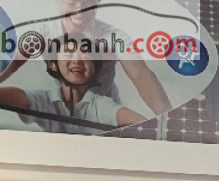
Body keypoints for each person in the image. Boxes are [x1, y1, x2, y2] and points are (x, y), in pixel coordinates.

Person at [0, 0, 170, 115]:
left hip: (104, 112)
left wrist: (166, 117)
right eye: (72, 1)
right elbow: (12, 63)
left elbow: (140, 75)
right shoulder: (40, 32)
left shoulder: (114, 37)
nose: (80, 10)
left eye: (88, 2)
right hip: (66, 109)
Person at [0, 52, 145, 135]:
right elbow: (19, 97)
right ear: (54, 65)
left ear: (93, 69)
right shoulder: (44, 100)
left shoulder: (102, 105)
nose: (77, 60)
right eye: (68, 54)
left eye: (85, 56)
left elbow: (142, 123)